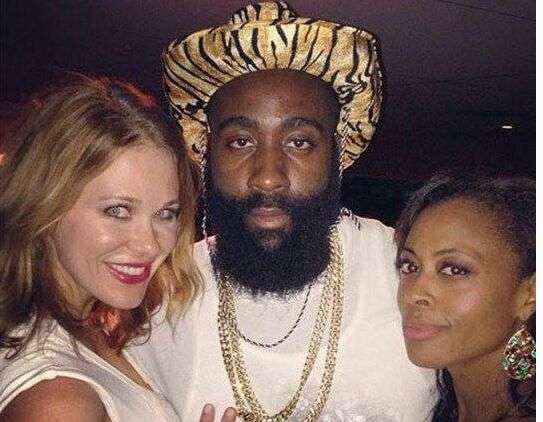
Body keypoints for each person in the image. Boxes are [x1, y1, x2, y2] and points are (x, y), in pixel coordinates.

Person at [130, 2, 436, 421]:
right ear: (207, 152)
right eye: (240, 142)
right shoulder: (155, 296)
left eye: (299, 142)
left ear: (337, 152)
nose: (268, 177)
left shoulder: (405, 267)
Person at [0, 73, 236, 422]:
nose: (150, 244)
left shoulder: (85, 325)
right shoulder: (57, 403)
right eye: (117, 211)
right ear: (45, 205)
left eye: (166, 213)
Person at [395, 173, 536, 421]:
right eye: (410, 266)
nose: (414, 293)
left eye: (454, 270)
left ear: (529, 295)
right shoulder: (442, 406)